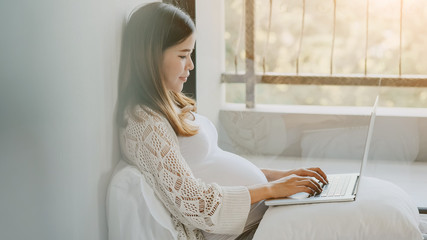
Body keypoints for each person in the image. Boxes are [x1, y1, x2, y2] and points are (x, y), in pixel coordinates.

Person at [116, 2, 328, 240]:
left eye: (191, 54)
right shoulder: (144, 123)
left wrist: (277, 176)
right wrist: (272, 189)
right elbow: (193, 202)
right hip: (244, 232)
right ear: (152, 56)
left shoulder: (165, 107)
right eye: (183, 55)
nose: (191, 65)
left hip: (260, 217)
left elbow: (204, 168)